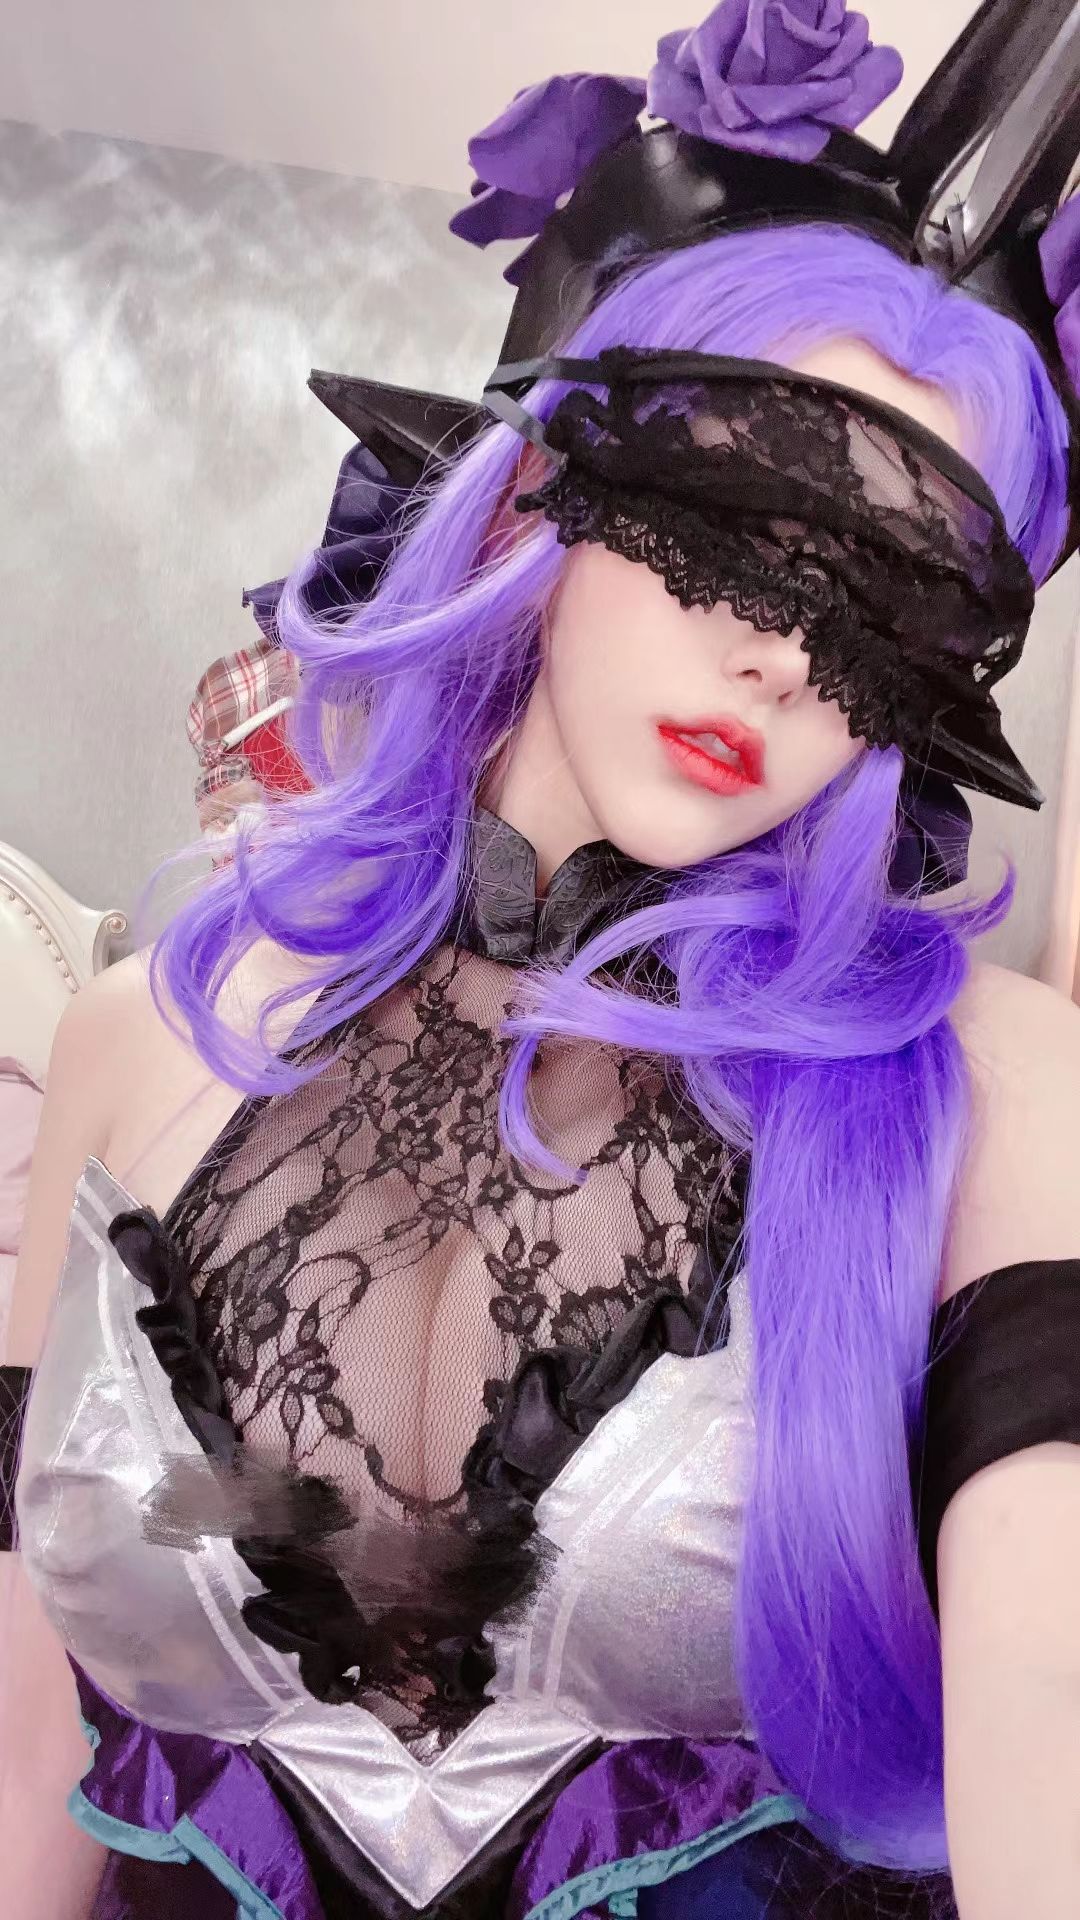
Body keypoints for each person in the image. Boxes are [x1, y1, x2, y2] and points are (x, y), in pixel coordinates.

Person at [5, 5, 1080, 1917]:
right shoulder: (134, 1040)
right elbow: (30, 1745)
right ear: (531, 494)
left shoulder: (988, 1088)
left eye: (890, 615)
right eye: (744, 531)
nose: (784, 659)